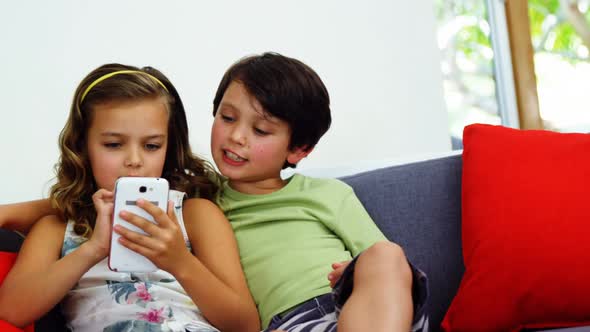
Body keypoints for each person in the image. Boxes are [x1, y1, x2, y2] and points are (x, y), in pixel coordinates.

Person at [0, 64, 260, 332]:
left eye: (151, 146)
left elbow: (245, 325)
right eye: (113, 144)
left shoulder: (195, 214)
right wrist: (93, 250)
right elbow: (12, 311)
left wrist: (180, 262)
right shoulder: (57, 228)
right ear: (82, 146)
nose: (134, 161)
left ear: (168, 147)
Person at [209, 52, 429, 332]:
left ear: (299, 149)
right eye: (227, 117)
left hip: (369, 312)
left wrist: (353, 272)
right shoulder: (204, 201)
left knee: (386, 253)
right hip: (292, 322)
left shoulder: (328, 193)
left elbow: (385, 266)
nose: (236, 136)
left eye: (261, 130)